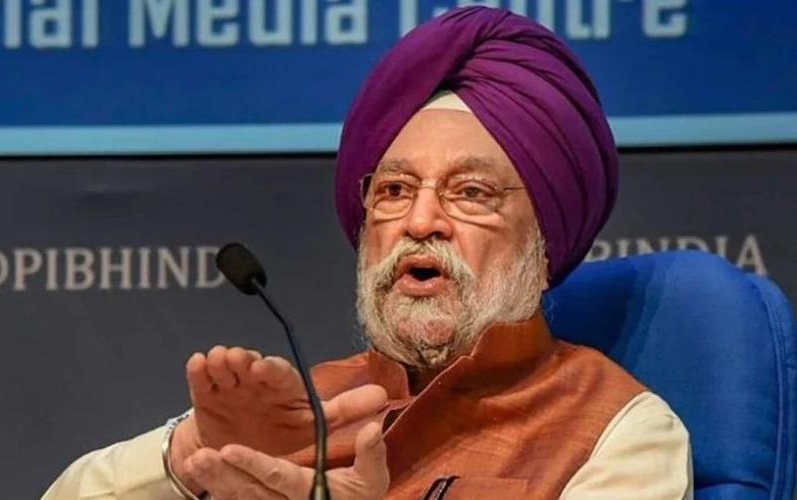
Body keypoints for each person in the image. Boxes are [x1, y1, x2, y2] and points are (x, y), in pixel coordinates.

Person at [43, 7, 692, 500]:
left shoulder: (620, 431)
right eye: (393, 191)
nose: (419, 221)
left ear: (544, 243)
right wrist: (191, 455)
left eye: (470, 193)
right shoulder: (306, 408)